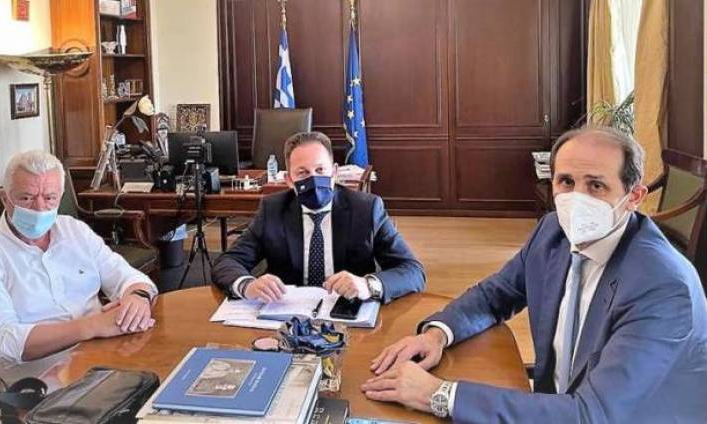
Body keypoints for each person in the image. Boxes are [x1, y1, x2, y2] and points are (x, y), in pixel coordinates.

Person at [361, 126, 707, 423]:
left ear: (634, 197)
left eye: (596, 186)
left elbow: (592, 415)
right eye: (566, 182)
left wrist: (440, 395)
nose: (576, 199)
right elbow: (496, 295)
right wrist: (438, 334)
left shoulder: (663, 286)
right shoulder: (552, 231)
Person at [0, 150, 158, 382]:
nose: (39, 208)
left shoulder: (74, 231)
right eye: (26, 198)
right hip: (34, 382)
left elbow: (127, 277)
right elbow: (2, 341)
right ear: (5, 198)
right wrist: (92, 326)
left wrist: (137, 297)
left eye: (50, 198)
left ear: (61, 196)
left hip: (100, 360)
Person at [212, 131, 425, 303]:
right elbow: (228, 261)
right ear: (289, 180)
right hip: (287, 314)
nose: (314, 179)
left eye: (321, 169)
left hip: (348, 310)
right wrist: (247, 285)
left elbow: (412, 270)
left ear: (334, 172)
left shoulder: (366, 209)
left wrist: (368, 285)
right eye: (303, 173)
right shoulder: (272, 210)